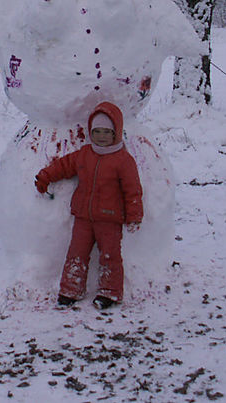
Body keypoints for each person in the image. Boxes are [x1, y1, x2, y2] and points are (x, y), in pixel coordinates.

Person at [34, 101, 143, 310]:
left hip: (110, 220)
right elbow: (63, 166)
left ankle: (109, 293)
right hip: (84, 217)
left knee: (110, 255)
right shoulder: (85, 154)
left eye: (106, 132)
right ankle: (71, 290)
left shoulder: (123, 160)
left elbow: (133, 190)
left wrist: (134, 215)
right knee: (76, 252)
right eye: (97, 131)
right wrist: (45, 177)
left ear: (116, 133)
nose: (101, 136)